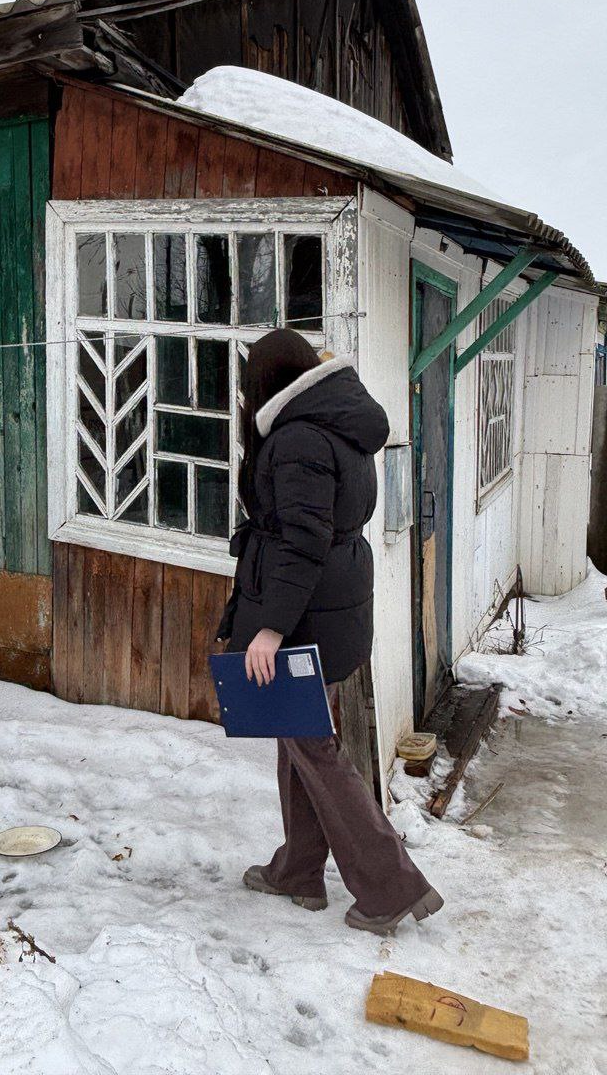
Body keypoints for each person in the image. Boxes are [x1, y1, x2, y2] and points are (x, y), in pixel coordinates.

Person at [218, 329, 443, 936]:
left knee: (313, 747)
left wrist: (270, 629)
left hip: (304, 618)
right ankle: (298, 870)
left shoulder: (299, 439)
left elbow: (303, 542)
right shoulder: (333, 424)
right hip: (330, 610)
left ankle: (391, 887)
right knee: (296, 740)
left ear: (266, 382)